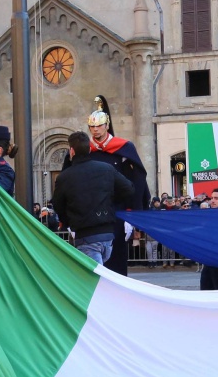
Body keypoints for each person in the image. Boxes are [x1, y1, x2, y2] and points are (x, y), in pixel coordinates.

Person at [86, 95, 151, 275]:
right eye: (92, 126)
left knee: (117, 260)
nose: (95, 130)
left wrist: (133, 212)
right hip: (90, 211)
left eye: (99, 126)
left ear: (106, 126)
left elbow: (137, 179)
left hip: (117, 210)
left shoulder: (123, 148)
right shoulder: (85, 150)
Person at [52, 131, 134, 265]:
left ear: (71, 151)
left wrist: (67, 221)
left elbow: (58, 204)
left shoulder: (65, 177)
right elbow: (129, 189)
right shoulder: (106, 168)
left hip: (86, 235)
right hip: (107, 234)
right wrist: (110, 199)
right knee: (97, 276)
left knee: (95, 280)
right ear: (90, 149)